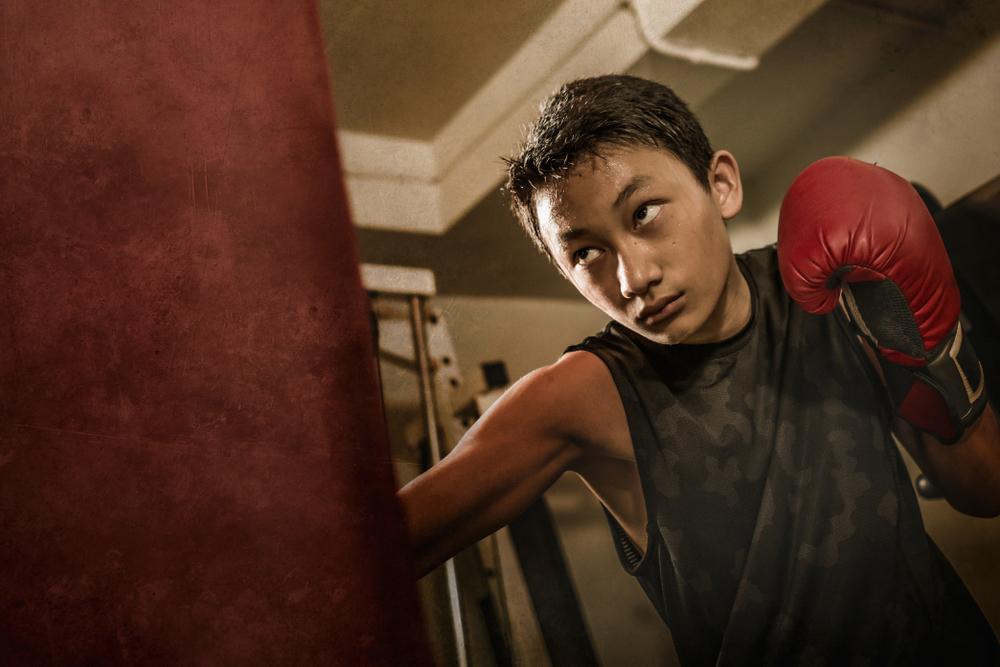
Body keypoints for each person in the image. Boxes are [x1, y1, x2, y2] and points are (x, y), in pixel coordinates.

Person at [398, 74, 1000, 664]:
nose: (633, 279)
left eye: (643, 214)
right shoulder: (583, 395)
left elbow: (984, 487)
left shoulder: (834, 294)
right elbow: (355, 568)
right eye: (585, 254)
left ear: (721, 184)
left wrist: (933, 344)